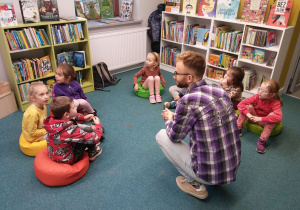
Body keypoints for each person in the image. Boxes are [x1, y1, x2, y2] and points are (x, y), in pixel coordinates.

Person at [156, 51, 241, 200]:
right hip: (231, 169)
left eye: (177, 73)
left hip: (207, 174)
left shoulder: (187, 100)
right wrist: (176, 117)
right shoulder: (219, 90)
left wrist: (170, 120)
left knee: (161, 136)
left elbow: (175, 136)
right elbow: (204, 119)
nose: (174, 76)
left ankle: (194, 184)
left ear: (189, 78)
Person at [43, 96, 103, 164]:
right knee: (87, 133)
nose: (76, 108)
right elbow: (94, 138)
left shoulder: (53, 121)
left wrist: (84, 117)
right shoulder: (71, 130)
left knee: (78, 128)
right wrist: (98, 125)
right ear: (66, 114)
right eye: (74, 107)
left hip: (53, 154)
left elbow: (72, 116)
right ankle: (93, 153)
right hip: (67, 159)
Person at [237, 79, 283, 154]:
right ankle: (238, 128)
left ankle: (262, 141)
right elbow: (241, 104)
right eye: (260, 89)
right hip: (253, 118)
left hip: (264, 122)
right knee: (248, 107)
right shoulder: (256, 97)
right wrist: (248, 114)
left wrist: (261, 119)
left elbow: (279, 117)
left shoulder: (276, 103)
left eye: (264, 91)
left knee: (273, 117)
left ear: (272, 95)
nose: (260, 92)